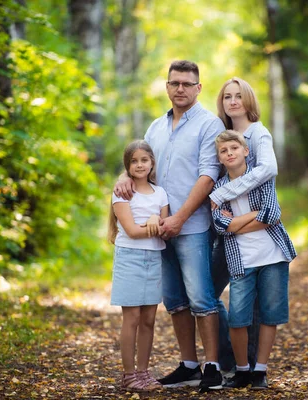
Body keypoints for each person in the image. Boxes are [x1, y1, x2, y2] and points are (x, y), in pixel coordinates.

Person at [113, 60, 226, 391]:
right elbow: (140, 163)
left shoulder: (209, 124)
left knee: (202, 299)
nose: (180, 89)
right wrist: (123, 175)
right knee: (175, 300)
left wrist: (180, 218)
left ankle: (213, 367)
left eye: (187, 84)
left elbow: (209, 175)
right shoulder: (155, 128)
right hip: (157, 231)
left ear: (198, 88)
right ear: (167, 86)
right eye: (175, 83)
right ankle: (188, 364)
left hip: (191, 227)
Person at [211, 130, 297, 390]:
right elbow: (219, 226)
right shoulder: (218, 188)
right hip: (240, 260)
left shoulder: (262, 177)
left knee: (270, 315)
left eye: (234, 149)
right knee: (238, 317)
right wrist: (252, 216)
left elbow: (272, 215)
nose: (230, 154)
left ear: (245, 151)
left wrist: (234, 223)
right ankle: (242, 370)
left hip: (273, 255)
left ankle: (260, 370)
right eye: (224, 152)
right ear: (220, 158)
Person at [210, 77, 279, 369]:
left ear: (248, 99)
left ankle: (251, 366)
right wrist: (129, 175)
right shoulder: (220, 133)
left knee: (252, 305)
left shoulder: (258, 134)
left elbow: (269, 169)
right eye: (227, 96)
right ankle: (229, 358)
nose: (233, 101)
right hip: (220, 229)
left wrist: (224, 193)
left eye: (239, 95)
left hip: (251, 231)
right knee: (205, 295)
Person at [108, 140, 170, 391]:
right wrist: (154, 225)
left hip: (154, 259)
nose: (139, 164)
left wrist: (157, 219)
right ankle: (128, 375)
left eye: (144, 160)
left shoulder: (161, 193)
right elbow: (132, 231)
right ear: (127, 166)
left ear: (152, 163)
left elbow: (165, 230)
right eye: (134, 161)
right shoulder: (122, 192)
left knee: (149, 319)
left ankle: (143, 374)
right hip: (130, 259)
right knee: (131, 318)